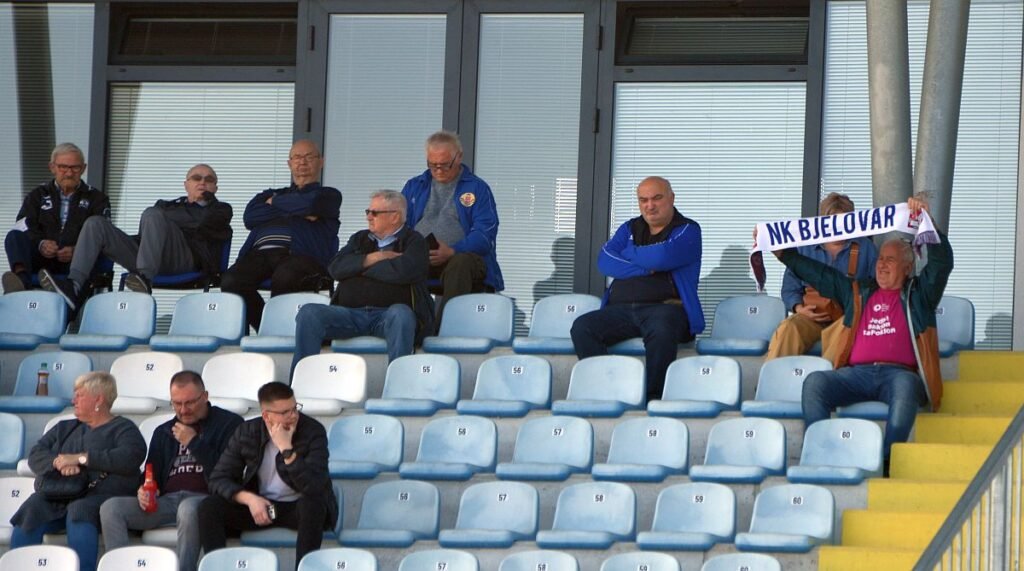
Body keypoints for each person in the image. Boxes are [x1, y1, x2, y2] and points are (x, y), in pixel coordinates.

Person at [774, 195, 953, 472]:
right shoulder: (860, 292)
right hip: (856, 374)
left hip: (898, 375)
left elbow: (941, 265)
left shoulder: (919, 295)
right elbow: (822, 275)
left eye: (890, 260)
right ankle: (821, 452)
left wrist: (930, 225)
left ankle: (887, 461)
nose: (881, 264)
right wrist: (786, 255)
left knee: (906, 388)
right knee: (815, 383)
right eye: (880, 259)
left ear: (907, 268)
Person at [570, 176, 705, 401]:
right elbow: (605, 261)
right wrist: (647, 267)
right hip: (621, 310)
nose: (650, 205)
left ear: (671, 198)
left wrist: (628, 253)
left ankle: (653, 400)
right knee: (582, 327)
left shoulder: (688, 230)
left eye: (657, 198)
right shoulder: (629, 228)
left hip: (666, 310)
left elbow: (661, 257)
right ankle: (607, 394)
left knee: (661, 328)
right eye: (643, 200)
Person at [99, 371, 242, 571]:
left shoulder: (229, 424)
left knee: (188, 509)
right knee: (111, 508)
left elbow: (229, 474)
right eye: (177, 403)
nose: (183, 410)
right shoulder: (164, 431)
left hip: (207, 500)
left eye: (190, 403)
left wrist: (194, 443)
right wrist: (143, 490)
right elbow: (151, 473)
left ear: (205, 396)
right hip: (167, 501)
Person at [40, 164, 232, 310]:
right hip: (150, 256)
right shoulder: (165, 205)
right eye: (196, 178)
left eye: (209, 180)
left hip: (186, 261)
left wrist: (168, 218)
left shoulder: (221, 209)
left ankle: (144, 279)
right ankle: (73, 286)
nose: (202, 182)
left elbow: (201, 222)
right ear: (186, 185)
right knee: (96, 224)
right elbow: (154, 227)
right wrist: (170, 219)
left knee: (152, 214)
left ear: (215, 188)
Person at [10, 372, 146, 571]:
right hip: (60, 492)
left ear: (98, 399)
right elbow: (36, 454)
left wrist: (81, 458)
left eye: (79, 395)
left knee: (80, 510)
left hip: (101, 496)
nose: (73, 400)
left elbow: (130, 456)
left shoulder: (124, 429)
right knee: (31, 508)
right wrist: (58, 462)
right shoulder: (64, 428)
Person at [291, 190, 433, 376]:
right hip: (349, 314)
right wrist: (374, 258)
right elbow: (335, 268)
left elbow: (403, 272)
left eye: (375, 213)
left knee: (401, 314)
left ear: (395, 216)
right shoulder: (359, 238)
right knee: (309, 313)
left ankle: (399, 383)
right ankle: (299, 382)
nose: (368, 217)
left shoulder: (415, 241)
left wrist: (357, 267)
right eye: (368, 211)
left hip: (387, 317)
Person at [198, 382, 336, 568]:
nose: (293, 415)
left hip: (297, 508)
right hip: (262, 506)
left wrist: (286, 449)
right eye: (285, 412)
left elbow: (314, 486)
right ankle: (218, 567)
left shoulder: (312, 431)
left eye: (294, 408)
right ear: (266, 416)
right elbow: (218, 478)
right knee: (209, 507)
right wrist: (249, 499)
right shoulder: (247, 432)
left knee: (313, 504)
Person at [221, 140, 342, 332]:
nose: (303, 161)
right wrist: (297, 207)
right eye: (297, 157)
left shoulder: (329, 195)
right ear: (289, 163)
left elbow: (312, 204)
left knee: (285, 276)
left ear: (321, 162)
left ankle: (279, 332)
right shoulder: (268, 194)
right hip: (260, 255)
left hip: (303, 256)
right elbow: (250, 217)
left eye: (309, 156)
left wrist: (275, 203)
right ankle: (267, 328)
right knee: (231, 280)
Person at [401, 130, 502, 319]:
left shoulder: (477, 188)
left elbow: (484, 235)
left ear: (459, 157)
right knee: (391, 263)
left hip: (464, 259)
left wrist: (453, 250)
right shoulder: (415, 186)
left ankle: (445, 328)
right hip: (422, 257)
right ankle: (406, 325)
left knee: (460, 264)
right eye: (433, 165)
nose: (439, 170)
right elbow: (400, 226)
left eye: (445, 165)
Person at [765, 192, 878, 361]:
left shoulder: (866, 247)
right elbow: (789, 288)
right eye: (832, 222)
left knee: (843, 337)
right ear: (822, 222)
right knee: (788, 328)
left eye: (844, 221)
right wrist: (799, 308)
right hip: (811, 316)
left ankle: (824, 377)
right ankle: (773, 375)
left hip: (847, 318)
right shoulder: (805, 247)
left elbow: (876, 289)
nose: (838, 227)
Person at [3, 143, 111, 294]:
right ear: (52, 167)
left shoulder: (97, 198)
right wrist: (41, 243)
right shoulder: (37, 195)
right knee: (14, 236)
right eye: (63, 167)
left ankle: (71, 299)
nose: (69, 173)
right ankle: (21, 281)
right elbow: (23, 224)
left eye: (75, 168)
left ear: (83, 168)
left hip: (78, 263)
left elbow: (103, 235)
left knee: (96, 250)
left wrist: (77, 250)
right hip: (42, 259)